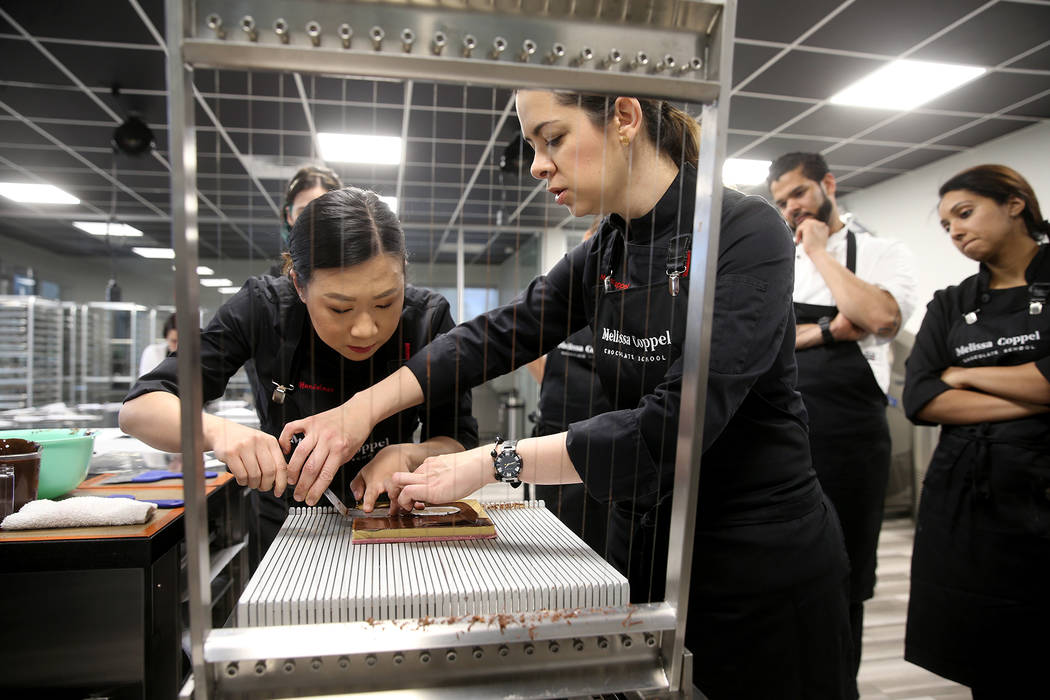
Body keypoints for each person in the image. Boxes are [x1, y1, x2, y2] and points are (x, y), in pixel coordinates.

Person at [278, 92, 852, 698]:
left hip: (755, 559)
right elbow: (495, 336)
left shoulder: (744, 233)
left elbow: (672, 427)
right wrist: (359, 411)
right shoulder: (609, 249)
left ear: (625, 118)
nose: (537, 165)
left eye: (552, 138)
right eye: (532, 146)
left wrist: (490, 461)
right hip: (643, 550)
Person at [119, 187, 477, 551]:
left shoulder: (427, 320)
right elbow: (139, 408)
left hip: (391, 521)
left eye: (386, 303)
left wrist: (408, 454)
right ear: (299, 285)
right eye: (339, 308)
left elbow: (457, 442)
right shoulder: (264, 309)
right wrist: (219, 434)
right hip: (288, 526)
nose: (365, 329)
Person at [767, 152, 918, 696]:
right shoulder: (772, 260)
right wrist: (833, 328)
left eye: (800, 194)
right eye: (782, 201)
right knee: (784, 566)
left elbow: (878, 318)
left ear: (828, 185)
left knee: (847, 572)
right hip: (780, 433)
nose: (791, 208)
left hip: (852, 435)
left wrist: (820, 252)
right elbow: (764, 340)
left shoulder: (881, 252)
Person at [902, 164, 1050, 697]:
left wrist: (963, 374)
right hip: (967, 495)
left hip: (1041, 489)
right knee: (985, 656)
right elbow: (921, 398)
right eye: (946, 225)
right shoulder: (952, 302)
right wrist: (1031, 395)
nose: (956, 231)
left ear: (1015, 203)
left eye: (964, 214)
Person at [525, 217, 611, 554]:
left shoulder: (625, 312)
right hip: (553, 438)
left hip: (603, 450)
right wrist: (547, 380)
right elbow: (524, 343)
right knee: (557, 547)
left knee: (600, 550)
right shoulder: (568, 303)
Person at [138, 312, 177, 377]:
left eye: (182, 342)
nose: (178, 346)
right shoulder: (153, 353)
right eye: (174, 341)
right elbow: (147, 384)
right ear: (166, 337)